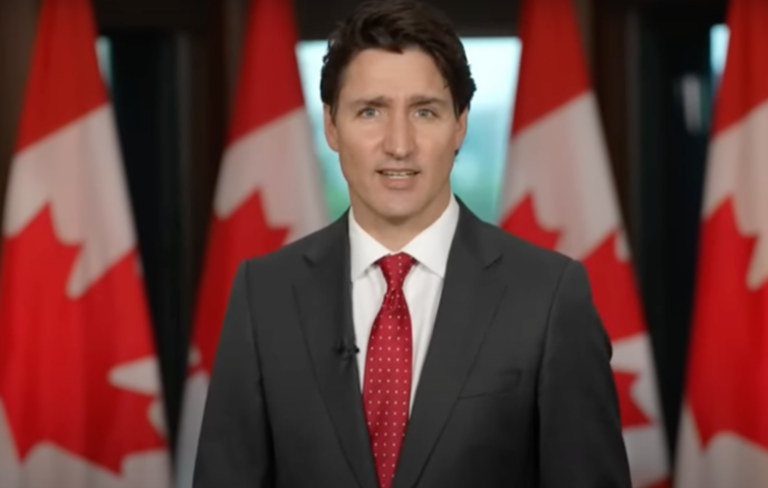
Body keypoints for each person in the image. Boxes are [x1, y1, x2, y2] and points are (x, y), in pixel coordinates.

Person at [192, 0, 632, 487]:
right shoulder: (265, 294)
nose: (399, 144)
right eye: (370, 111)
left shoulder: (549, 296)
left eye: (425, 111)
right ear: (332, 126)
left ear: (460, 124)